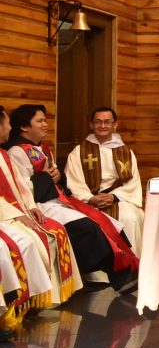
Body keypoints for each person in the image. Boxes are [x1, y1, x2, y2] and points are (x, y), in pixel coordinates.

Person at [4, 105, 138, 294]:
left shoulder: (41, 147)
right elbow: (22, 189)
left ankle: (125, 269)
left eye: (45, 120)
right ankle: (117, 274)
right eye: (40, 121)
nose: (45, 125)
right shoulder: (16, 152)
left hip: (56, 200)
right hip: (40, 205)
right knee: (86, 226)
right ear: (25, 127)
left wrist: (59, 176)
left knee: (107, 222)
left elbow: (55, 179)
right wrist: (47, 178)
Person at [0, 105, 76, 307]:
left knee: (53, 231)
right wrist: (16, 213)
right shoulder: (15, 151)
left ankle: (39, 298)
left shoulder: (3, 154)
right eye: (7, 125)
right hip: (6, 215)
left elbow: (20, 187)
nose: (10, 129)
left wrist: (29, 206)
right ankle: (17, 304)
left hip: (18, 209)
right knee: (25, 242)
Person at [64, 107, 144, 256]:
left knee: (130, 217)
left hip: (119, 199)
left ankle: (132, 266)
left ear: (115, 125)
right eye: (98, 122)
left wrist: (114, 197)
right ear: (91, 125)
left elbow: (132, 182)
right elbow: (73, 181)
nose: (102, 126)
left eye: (107, 122)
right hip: (88, 200)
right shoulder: (79, 151)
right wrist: (91, 198)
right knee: (87, 222)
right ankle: (99, 275)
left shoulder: (125, 152)